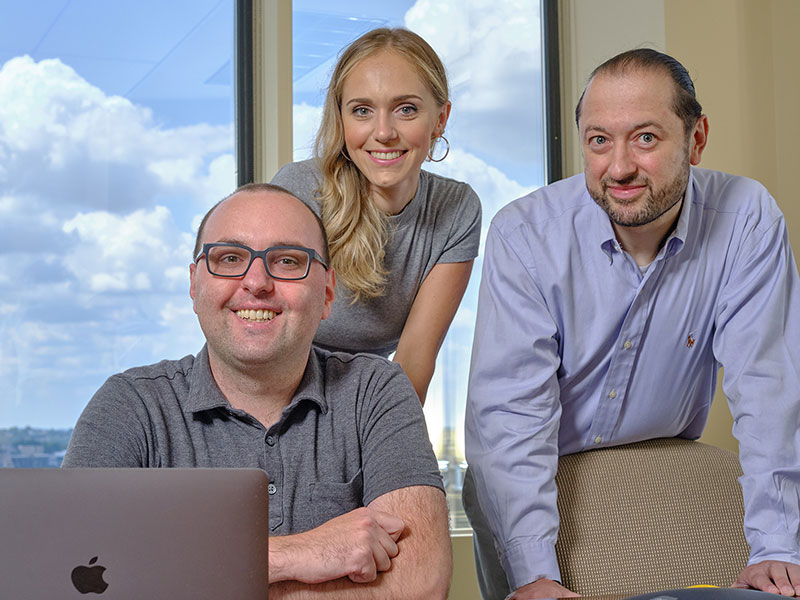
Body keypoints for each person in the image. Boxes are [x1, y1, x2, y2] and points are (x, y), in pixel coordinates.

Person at [464, 48, 800, 600]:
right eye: (599, 140)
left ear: (696, 138)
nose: (619, 167)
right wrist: (534, 574)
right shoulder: (524, 235)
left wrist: (778, 549)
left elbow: (769, 388)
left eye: (645, 138)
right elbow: (510, 415)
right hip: (534, 472)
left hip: (663, 468)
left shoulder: (746, 218)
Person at [63, 184, 452, 599]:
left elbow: (420, 582)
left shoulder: (376, 392)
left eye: (287, 261)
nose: (256, 282)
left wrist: (180, 574)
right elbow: (72, 577)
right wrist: (292, 555)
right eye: (230, 258)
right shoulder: (130, 406)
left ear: (326, 293)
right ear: (195, 285)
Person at [272, 27, 481, 403]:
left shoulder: (457, 209)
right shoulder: (297, 190)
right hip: (276, 386)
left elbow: (415, 361)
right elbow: (266, 335)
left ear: (440, 118)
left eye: (406, 109)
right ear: (341, 117)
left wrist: (386, 446)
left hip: (368, 398)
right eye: (362, 111)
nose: (383, 132)